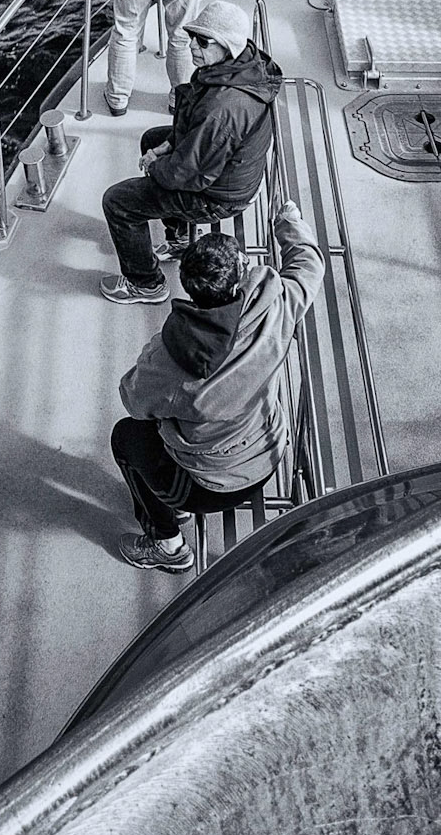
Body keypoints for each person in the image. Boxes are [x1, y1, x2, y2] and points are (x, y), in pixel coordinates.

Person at [111, 198, 325, 572]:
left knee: (127, 437)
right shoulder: (279, 307)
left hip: (210, 486)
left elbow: (132, 398)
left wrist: (153, 357)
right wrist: (288, 222)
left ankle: (168, 544)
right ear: (242, 271)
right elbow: (309, 264)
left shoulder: (170, 357)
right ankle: (170, 514)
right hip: (269, 454)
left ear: (192, 292)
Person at [99, 0, 281, 305]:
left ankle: (146, 284)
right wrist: (165, 146)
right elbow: (196, 136)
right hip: (227, 172)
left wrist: (154, 163)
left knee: (118, 203)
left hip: (217, 196)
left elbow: (187, 174)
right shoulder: (235, 69)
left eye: (204, 41)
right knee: (151, 138)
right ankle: (180, 239)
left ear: (228, 46)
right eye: (193, 35)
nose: (192, 45)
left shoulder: (222, 109)